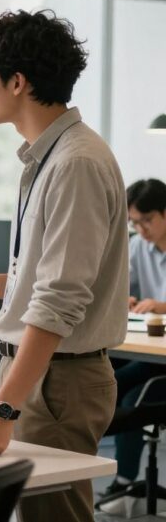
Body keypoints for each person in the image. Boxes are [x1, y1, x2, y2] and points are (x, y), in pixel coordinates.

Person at [0, 9, 127, 522]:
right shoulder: (50, 157)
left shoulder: (75, 163)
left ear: (18, 81)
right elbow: (52, 274)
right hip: (43, 374)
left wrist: (5, 408)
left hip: (58, 380)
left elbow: (62, 298)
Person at [101, 179, 166, 501]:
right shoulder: (138, 247)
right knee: (105, 378)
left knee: (130, 397)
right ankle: (111, 476)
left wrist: (163, 306)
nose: (141, 229)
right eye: (134, 222)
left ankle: (124, 480)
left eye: (147, 220)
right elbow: (129, 288)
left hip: (159, 359)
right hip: (146, 350)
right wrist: (124, 298)